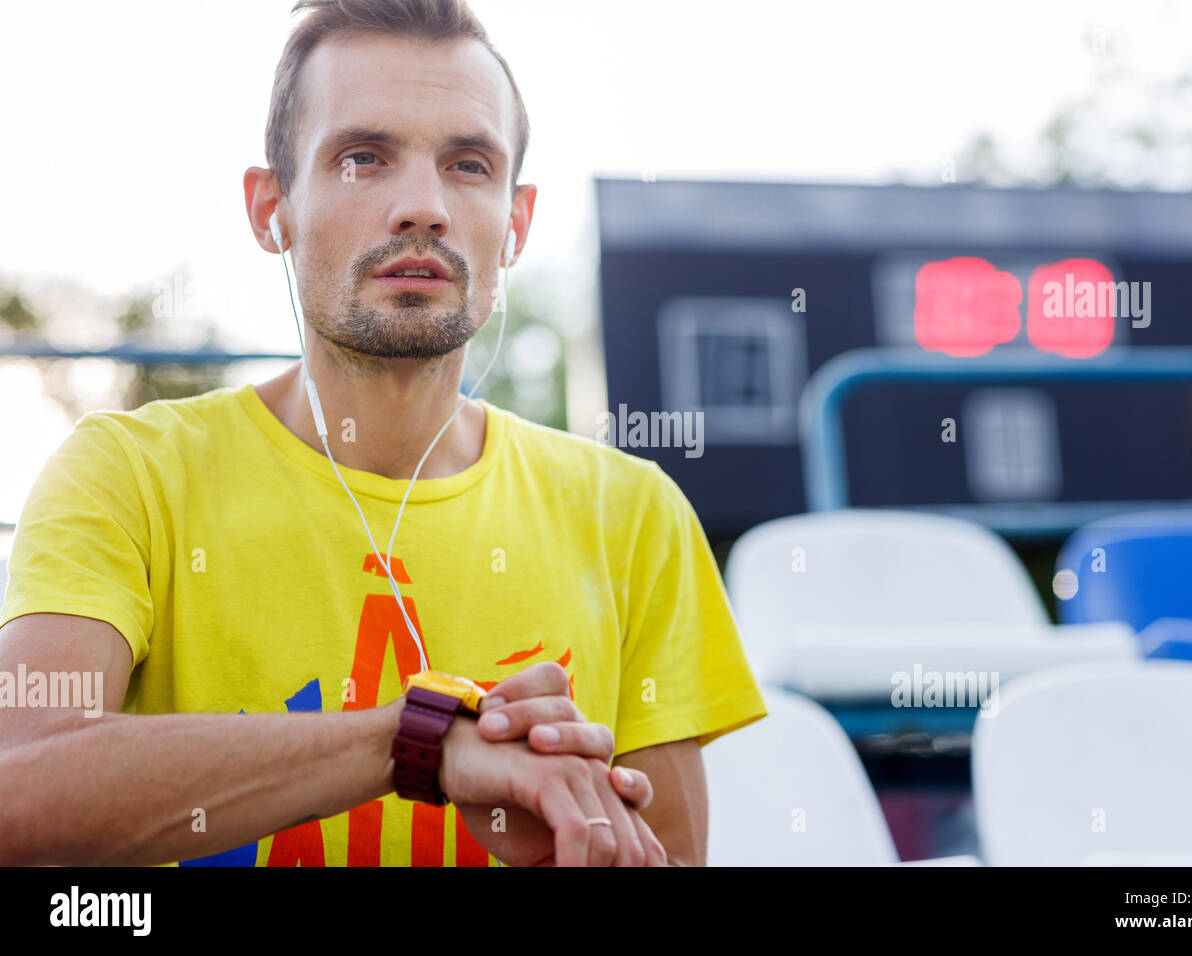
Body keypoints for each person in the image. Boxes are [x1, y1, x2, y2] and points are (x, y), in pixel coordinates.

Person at [0, 0, 766, 867]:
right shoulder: (128, 475)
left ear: (516, 222)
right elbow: (18, 788)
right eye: (364, 158)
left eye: (469, 165)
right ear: (271, 209)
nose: (422, 207)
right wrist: (424, 741)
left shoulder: (631, 514)